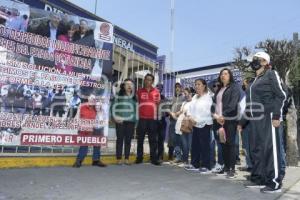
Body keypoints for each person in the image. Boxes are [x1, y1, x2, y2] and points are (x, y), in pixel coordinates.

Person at [239, 52, 286, 193]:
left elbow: (281, 95)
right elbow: (249, 105)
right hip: (254, 121)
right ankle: (260, 179)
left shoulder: (271, 74)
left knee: (270, 150)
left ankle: (274, 182)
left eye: (256, 59)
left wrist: (276, 115)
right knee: (256, 151)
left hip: (268, 116)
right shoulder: (253, 81)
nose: (254, 62)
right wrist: (241, 122)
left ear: (265, 61)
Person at [211, 68, 240, 178]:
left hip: (229, 120)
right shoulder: (219, 89)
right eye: (221, 74)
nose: (223, 75)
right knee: (222, 144)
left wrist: (223, 115)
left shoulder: (234, 87)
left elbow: (233, 105)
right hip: (218, 121)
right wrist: (215, 115)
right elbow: (213, 105)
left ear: (230, 75)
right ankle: (226, 167)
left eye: (226, 73)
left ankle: (232, 168)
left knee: (230, 144)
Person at [185, 79, 213, 174]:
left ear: (204, 86)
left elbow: (207, 112)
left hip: (204, 124)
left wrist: (196, 120)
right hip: (194, 124)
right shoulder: (195, 97)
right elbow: (190, 108)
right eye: (195, 84)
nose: (196, 86)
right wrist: (189, 117)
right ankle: (195, 164)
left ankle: (206, 166)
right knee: (195, 145)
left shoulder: (208, 97)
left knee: (204, 146)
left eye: (199, 84)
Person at [73, 95, 107, 168]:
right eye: (91, 98)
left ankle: (96, 160)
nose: (93, 100)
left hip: (95, 128)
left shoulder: (96, 108)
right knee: (84, 145)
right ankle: (79, 160)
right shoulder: (82, 106)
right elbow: (76, 117)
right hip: (84, 129)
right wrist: (78, 126)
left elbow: (101, 114)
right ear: (88, 99)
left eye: (94, 99)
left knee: (97, 144)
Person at [135, 74, 161, 165]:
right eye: (146, 79)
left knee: (153, 140)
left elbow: (158, 105)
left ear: (152, 81)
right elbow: (137, 103)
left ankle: (154, 159)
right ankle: (139, 158)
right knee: (140, 139)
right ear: (144, 80)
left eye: (150, 80)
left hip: (152, 120)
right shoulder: (139, 91)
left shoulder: (156, 92)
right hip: (142, 119)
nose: (147, 81)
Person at [112, 79, 137, 165]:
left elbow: (136, 111)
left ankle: (126, 158)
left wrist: (136, 123)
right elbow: (113, 106)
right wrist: (114, 117)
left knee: (128, 141)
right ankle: (119, 159)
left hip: (131, 122)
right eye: (127, 84)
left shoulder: (134, 97)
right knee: (119, 140)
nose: (129, 86)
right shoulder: (119, 95)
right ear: (123, 86)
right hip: (120, 121)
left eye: (131, 84)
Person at [174, 87, 193, 166]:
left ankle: (192, 160)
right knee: (184, 144)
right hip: (182, 124)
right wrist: (176, 113)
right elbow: (181, 112)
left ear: (191, 93)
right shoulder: (184, 103)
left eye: (186, 93)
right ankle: (185, 160)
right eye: (184, 94)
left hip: (190, 125)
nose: (185, 95)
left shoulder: (194, 102)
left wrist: (187, 114)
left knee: (189, 145)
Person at [168, 83, 184, 162]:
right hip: (172, 120)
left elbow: (184, 109)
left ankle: (181, 156)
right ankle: (173, 155)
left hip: (180, 121)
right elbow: (168, 108)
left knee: (180, 139)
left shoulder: (183, 98)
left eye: (179, 87)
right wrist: (172, 114)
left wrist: (177, 115)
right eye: (176, 87)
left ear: (181, 88)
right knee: (172, 139)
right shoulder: (172, 98)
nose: (177, 88)